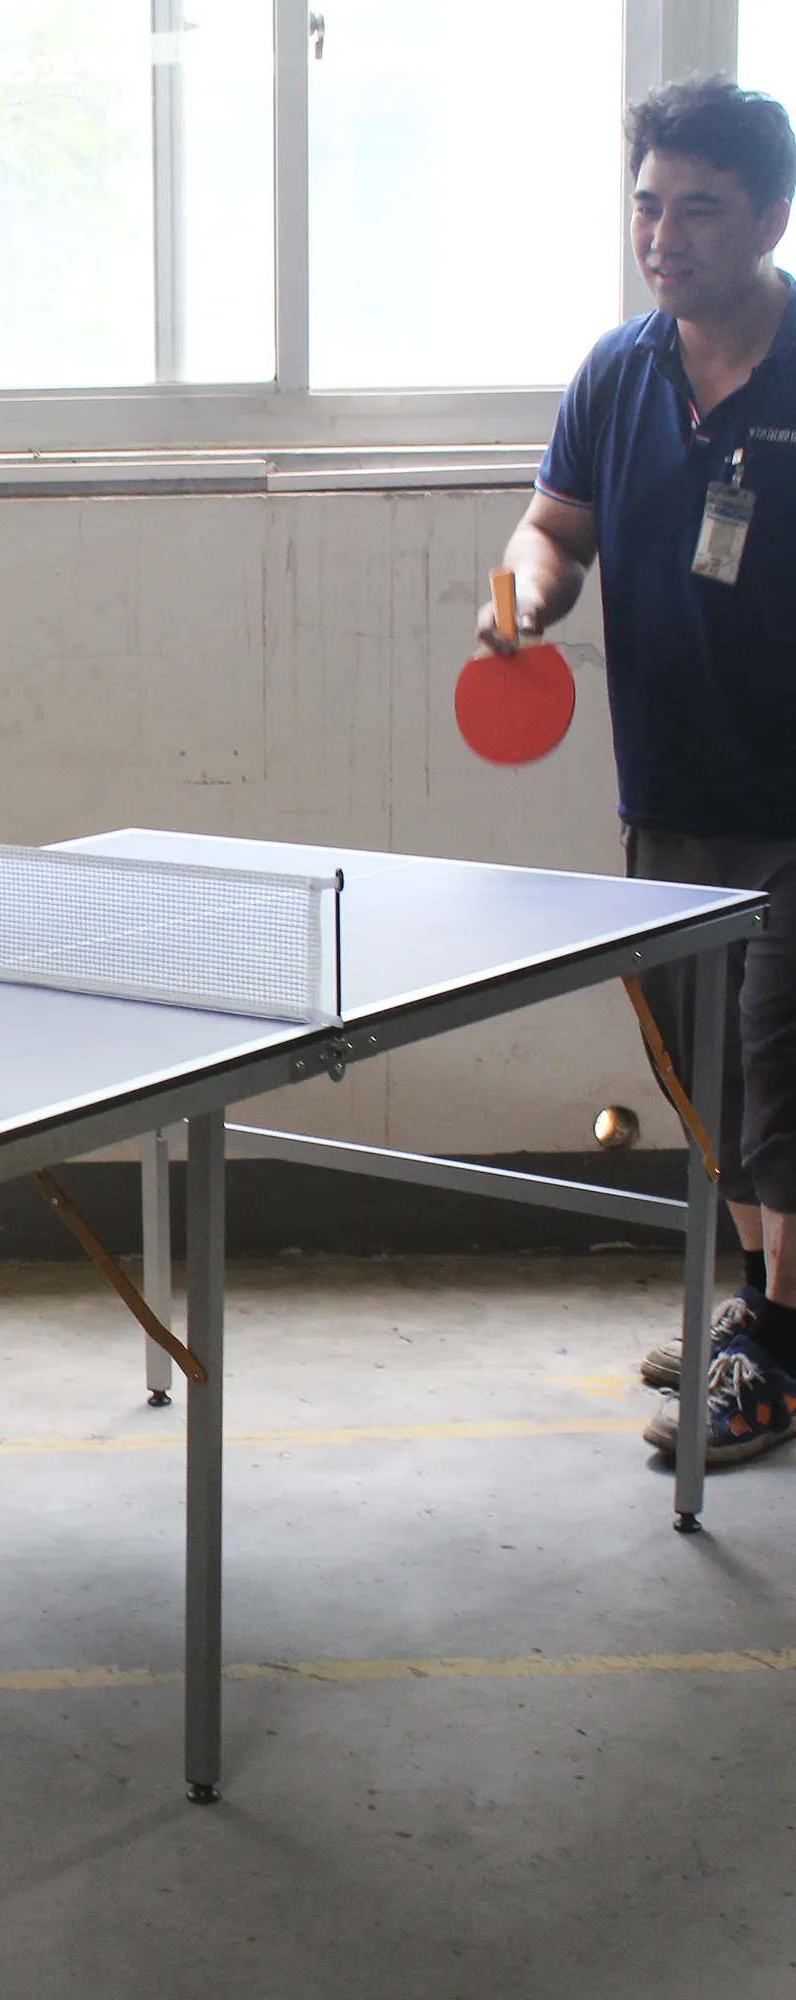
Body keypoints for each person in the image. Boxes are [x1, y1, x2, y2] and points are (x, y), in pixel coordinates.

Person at [478, 76, 796, 1469]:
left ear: (774, 216)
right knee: (713, 1085)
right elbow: (555, 524)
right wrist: (523, 594)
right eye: (648, 207)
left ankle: (779, 1361)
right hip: (668, 790)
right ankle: (770, 1304)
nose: (663, 237)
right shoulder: (618, 370)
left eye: (700, 210)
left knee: (784, 1082)